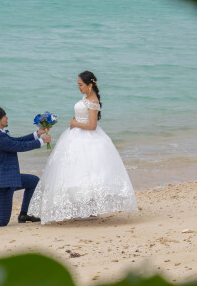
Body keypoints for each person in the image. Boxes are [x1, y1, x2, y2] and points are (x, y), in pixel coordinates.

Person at [27, 71, 137, 223]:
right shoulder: (86, 97)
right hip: (75, 135)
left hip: (88, 137)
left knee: (88, 171)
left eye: (81, 85)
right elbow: (83, 114)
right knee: (74, 170)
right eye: (78, 84)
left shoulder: (93, 101)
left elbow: (92, 125)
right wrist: (76, 120)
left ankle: (89, 210)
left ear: (90, 85)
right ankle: (84, 208)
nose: (79, 87)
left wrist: (75, 123)